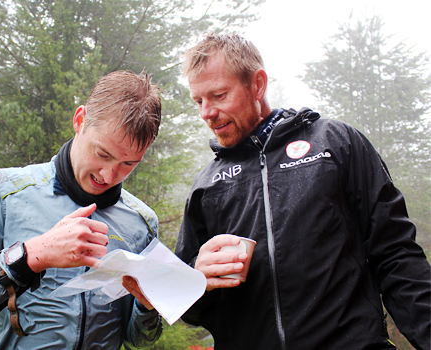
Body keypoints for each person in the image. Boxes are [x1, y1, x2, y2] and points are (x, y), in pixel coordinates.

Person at [175, 33, 431, 350]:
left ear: (257, 85)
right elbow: (189, 309)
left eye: (218, 95)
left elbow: (396, 256)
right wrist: (197, 282)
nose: (206, 113)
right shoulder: (207, 185)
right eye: (198, 101)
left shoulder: (335, 144)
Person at [0, 70, 163, 349]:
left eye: (129, 164)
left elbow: (139, 339)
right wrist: (29, 257)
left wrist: (148, 307)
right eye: (102, 154)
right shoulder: (5, 191)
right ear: (80, 120)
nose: (109, 175)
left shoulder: (142, 221)